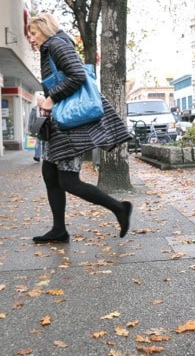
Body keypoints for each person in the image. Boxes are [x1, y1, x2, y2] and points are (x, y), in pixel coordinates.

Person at [27, 13, 133, 243]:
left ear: (45, 29)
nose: (31, 39)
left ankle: (120, 208)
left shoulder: (56, 44)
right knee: (49, 173)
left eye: (33, 33)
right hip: (60, 123)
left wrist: (51, 98)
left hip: (70, 126)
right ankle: (58, 230)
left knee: (68, 181)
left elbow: (76, 75)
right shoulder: (53, 47)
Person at [28, 94, 45, 162]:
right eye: (38, 100)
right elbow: (30, 119)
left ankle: (44, 156)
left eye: (40, 100)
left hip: (44, 127)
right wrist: (29, 129)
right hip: (36, 126)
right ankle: (37, 156)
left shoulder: (46, 108)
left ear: (43, 101)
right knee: (37, 143)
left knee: (44, 142)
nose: (38, 101)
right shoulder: (34, 109)